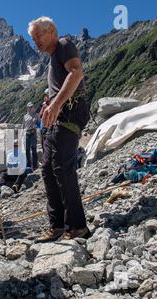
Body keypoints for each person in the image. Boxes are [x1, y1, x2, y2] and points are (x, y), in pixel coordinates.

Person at [28, 17, 91, 242]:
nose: (35, 41)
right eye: (33, 38)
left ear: (51, 30)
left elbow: (76, 73)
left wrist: (55, 104)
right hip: (59, 117)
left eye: (38, 35)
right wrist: (50, 104)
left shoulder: (64, 45)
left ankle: (77, 226)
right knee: (47, 169)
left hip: (69, 114)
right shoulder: (53, 57)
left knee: (63, 169)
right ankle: (57, 225)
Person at [22, 102, 40, 170]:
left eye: (32, 107)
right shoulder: (25, 116)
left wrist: (37, 125)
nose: (30, 108)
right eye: (29, 107)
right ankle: (29, 165)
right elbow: (23, 125)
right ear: (27, 108)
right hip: (27, 133)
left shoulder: (36, 115)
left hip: (33, 133)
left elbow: (39, 123)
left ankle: (35, 165)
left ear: (33, 107)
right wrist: (21, 134)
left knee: (34, 149)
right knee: (27, 150)